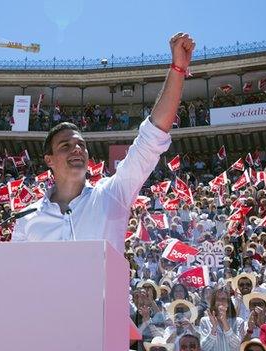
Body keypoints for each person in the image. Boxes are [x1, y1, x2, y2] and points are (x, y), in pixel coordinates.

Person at [12, 32, 196, 253]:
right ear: (48, 160)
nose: (77, 149)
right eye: (65, 146)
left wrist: (177, 70)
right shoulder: (27, 218)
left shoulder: (112, 194)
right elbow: (18, 277)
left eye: (81, 144)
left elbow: (152, 136)